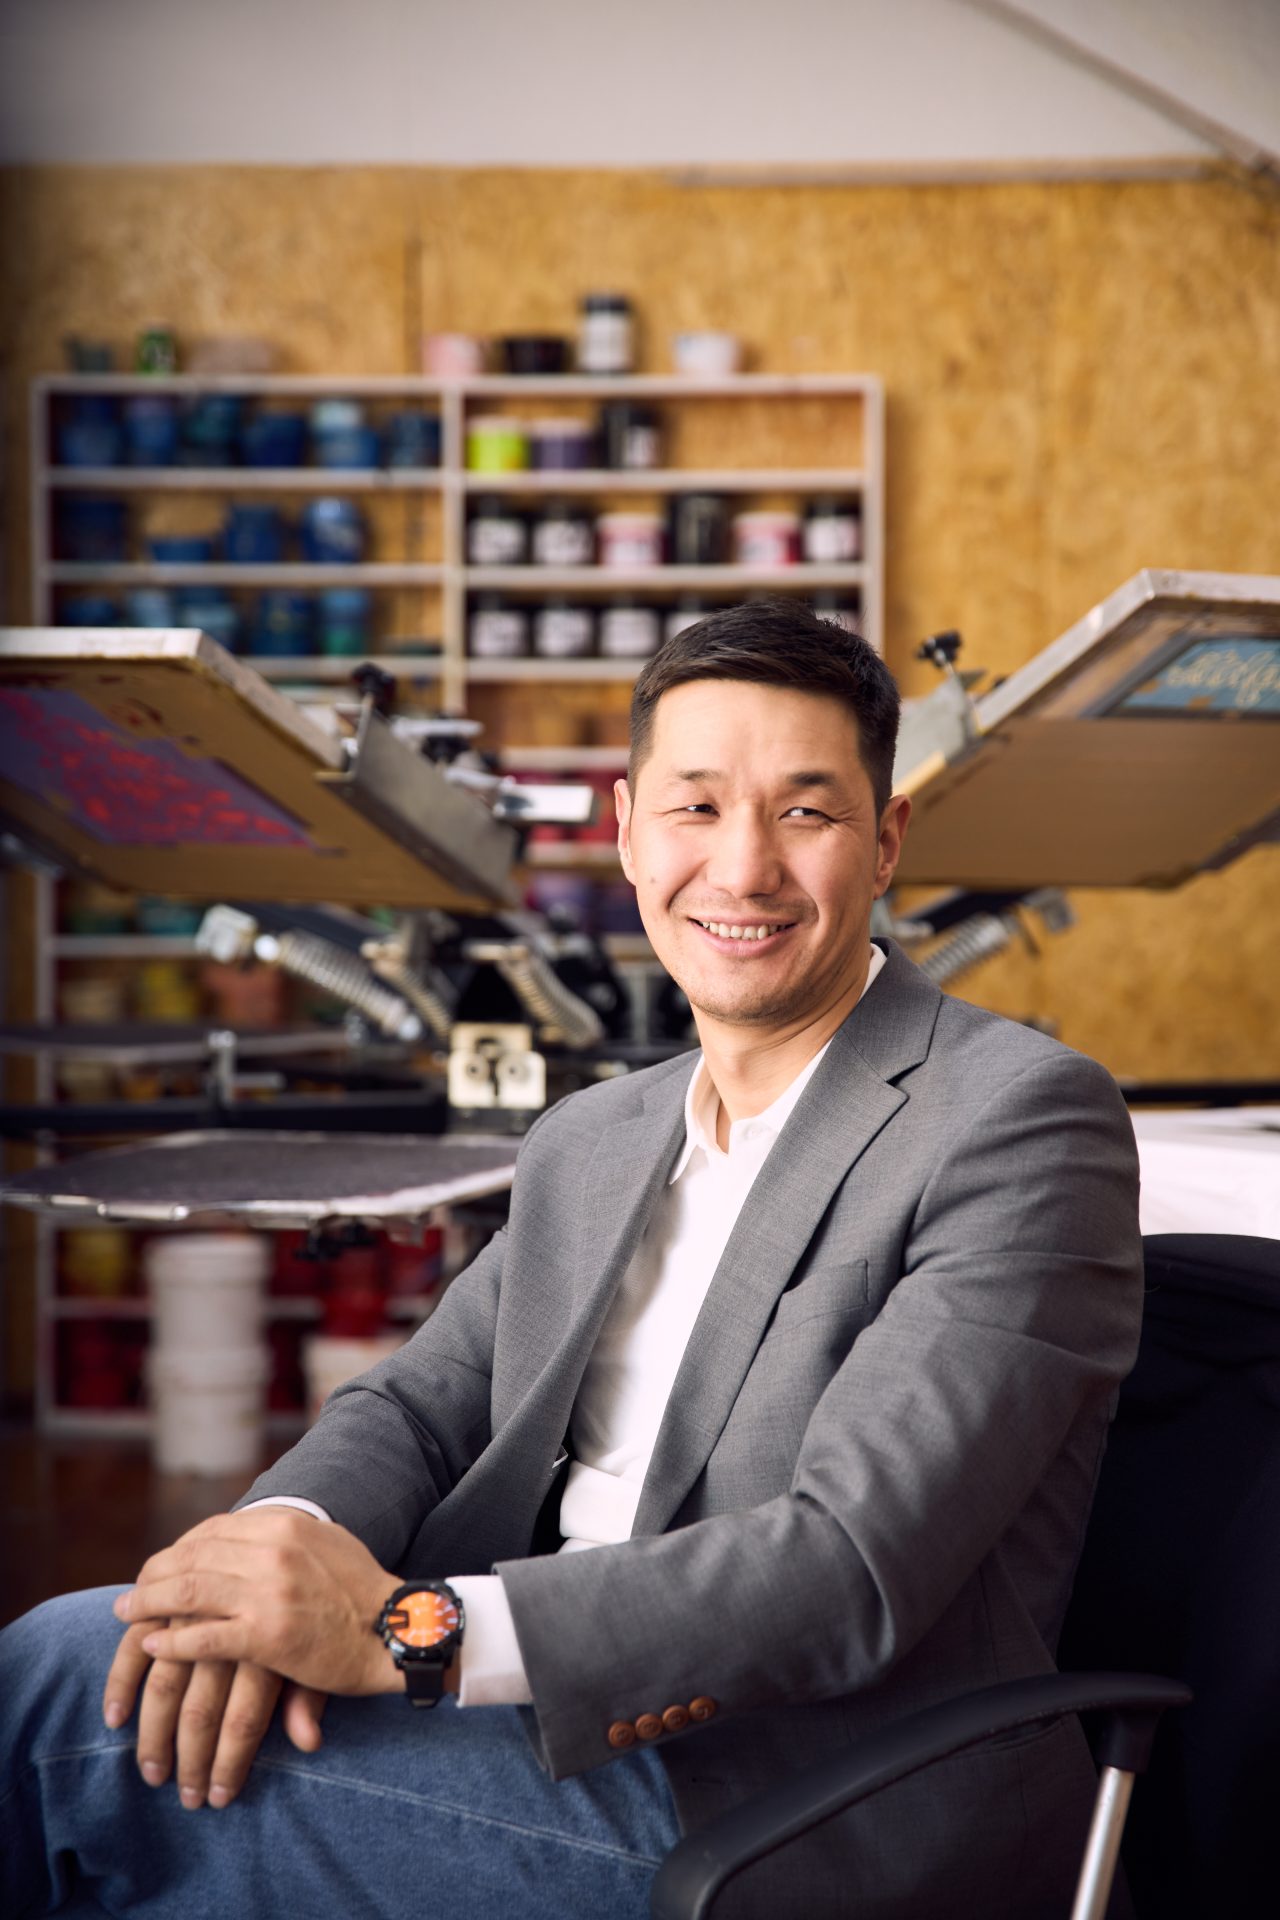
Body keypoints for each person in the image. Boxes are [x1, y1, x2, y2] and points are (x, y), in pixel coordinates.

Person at [1, 601, 1143, 1919]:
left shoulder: (1015, 1116)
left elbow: (847, 1566)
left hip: (792, 1798)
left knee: (56, 1713)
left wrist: (399, 1638)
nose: (745, 868)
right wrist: (272, 1554)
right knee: (133, 1697)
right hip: (535, 1724)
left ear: (887, 842)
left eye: (807, 813)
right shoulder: (595, 1136)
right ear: (626, 831)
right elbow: (418, 1409)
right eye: (696, 808)